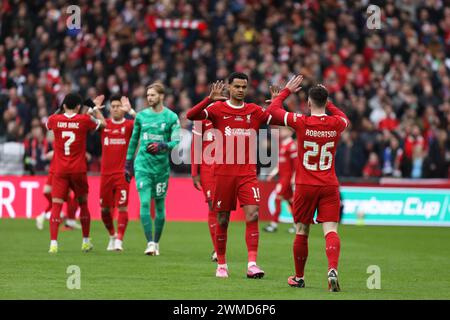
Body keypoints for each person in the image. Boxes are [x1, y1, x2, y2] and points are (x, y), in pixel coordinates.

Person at [186, 72, 284, 279]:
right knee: (222, 219)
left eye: (244, 87)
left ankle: (252, 264)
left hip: (247, 173)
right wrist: (208, 100)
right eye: (237, 86)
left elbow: (280, 119)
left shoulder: (254, 111)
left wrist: (277, 102)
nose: (240, 90)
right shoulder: (217, 109)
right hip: (223, 173)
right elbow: (191, 116)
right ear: (229, 87)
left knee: (254, 214)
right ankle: (221, 264)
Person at [267, 75, 350, 292]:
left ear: (309, 103)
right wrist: (328, 101)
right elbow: (344, 117)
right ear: (326, 101)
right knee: (331, 229)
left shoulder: (301, 122)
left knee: (302, 230)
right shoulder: (336, 123)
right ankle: (332, 268)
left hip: (305, 185)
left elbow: (272, 112)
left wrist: (285, 92)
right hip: (329, 185)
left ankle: (299, 277)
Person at [45, 93, 106, 253]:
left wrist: (60, 109)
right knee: (83, 203)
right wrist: (93, 107)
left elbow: (48, 123)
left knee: (57, 205)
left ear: (64, 105)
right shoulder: (84, 120)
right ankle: (85, 241)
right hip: (78, 169)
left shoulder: (55, 120)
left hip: (60, 169)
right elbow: (104, 125)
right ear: (79, 107)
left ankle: (53, 244)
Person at [125, 82, 181, 256]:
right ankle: (149, 242)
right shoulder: (141, 117)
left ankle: (156, 242)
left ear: (161, 96)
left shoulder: (171, 117)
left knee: (159, 207)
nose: (149, 98)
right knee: (144, 202)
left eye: (153, 95)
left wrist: (163, 146)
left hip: (161, 169)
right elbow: (134, 140)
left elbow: (177, 141)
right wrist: (128, 163)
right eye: (148, 95)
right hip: (142, 166)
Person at [98, 95, 136, 251]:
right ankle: (112, 235)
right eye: (112, 106)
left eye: (118, 106)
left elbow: (146, 123)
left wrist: (132, 111)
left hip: (122, 173)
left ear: (123, 108)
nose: (115, 109)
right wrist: (93, 109)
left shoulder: (129, 125)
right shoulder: (104, 125)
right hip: (106, 175)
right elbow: (86, 117)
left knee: (122, 207)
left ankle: (120, 239)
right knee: (105, 210)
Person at [191, 119, 218, 262]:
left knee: (223, 210)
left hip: (228, 168)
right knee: (212, 206)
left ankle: (219, 246)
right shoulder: (201, 116)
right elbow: (195, 145)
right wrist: (194, 172)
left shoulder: (234, 112)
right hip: (208, 170)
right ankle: (217, 249)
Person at [264, 126, 298, 233]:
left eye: (284, 130)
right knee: (290, 201)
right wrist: (273, 173)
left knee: (277, 199)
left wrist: (293, 177)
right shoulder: (283, 144)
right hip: (283, 177)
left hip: (287, 178)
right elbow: (280, 163)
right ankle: (297, 224)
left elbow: (296, 163)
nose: (281, 132)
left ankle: (273, 224)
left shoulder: (291, 145)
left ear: (290, 132)